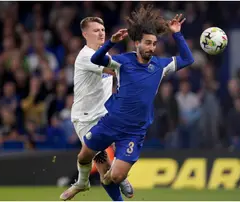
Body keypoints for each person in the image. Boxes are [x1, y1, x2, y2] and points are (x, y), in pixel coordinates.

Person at [62, 4, 194, 200]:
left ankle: (114, 180)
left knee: (113, 175)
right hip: (108, 121)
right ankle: (84, 183)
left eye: (154, 44)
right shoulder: (121, 61)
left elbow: (187, 59)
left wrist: (176, 34)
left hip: (134, 130)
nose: (151, 48)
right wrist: (111, 43)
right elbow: (99, 59)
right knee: (86, 157)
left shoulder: (160, 65)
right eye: (147, 43)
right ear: (137, 43)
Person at [59, 17, 133, 201]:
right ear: (85, 34)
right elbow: (111, 69)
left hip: (105, 115)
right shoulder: (85, 57)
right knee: (101, 165)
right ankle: (83, 182)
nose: (101, 32)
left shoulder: (105, 55)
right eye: (96, 30)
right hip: (85, 118)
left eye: (102, 29)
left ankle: (114, 177)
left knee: (122, 143)